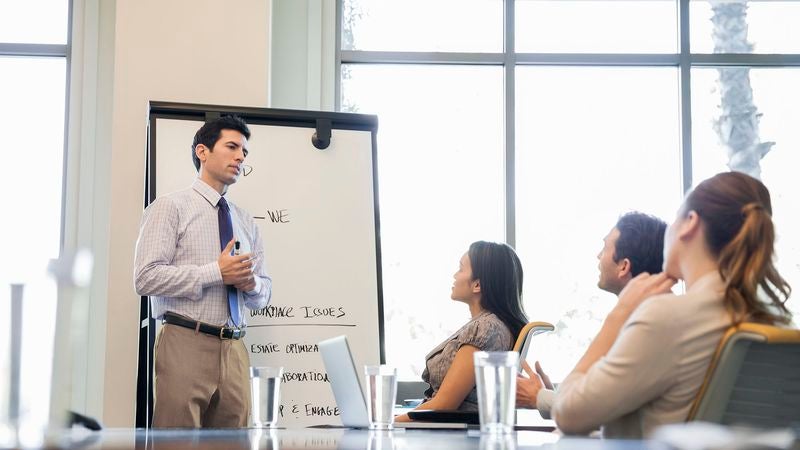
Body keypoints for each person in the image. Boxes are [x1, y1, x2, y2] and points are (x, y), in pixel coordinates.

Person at [551, 172, 792, 438]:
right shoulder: (771, 321)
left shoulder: (668, 317)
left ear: (689, 223)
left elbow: (568, 413)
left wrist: (619, 315)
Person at [134, 115, 272, 428]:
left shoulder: (245, 221)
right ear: (203, 152)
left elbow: (264, 291)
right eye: (232, 146)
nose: (240, 157)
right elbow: (145, 277)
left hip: (235, 348)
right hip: (185, 341)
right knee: (177, 444)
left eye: (244, 152)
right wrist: (215, 272)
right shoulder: (170, 207)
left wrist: (251, 284)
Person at [516, 212, 667, 417]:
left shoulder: (647, 324)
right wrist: (547, 395)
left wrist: (539, 396)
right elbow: (594, 399)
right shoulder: (646, 318)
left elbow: (588, 409)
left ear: (624, 266)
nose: (598, 256)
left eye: (604, 248)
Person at [395, 241, 529, 421]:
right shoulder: (488, 326)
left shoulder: (485, 329)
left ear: (477, 285)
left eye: (460, 269)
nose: (454, 275)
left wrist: (389, 423)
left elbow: (443, 405)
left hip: (448, 434)